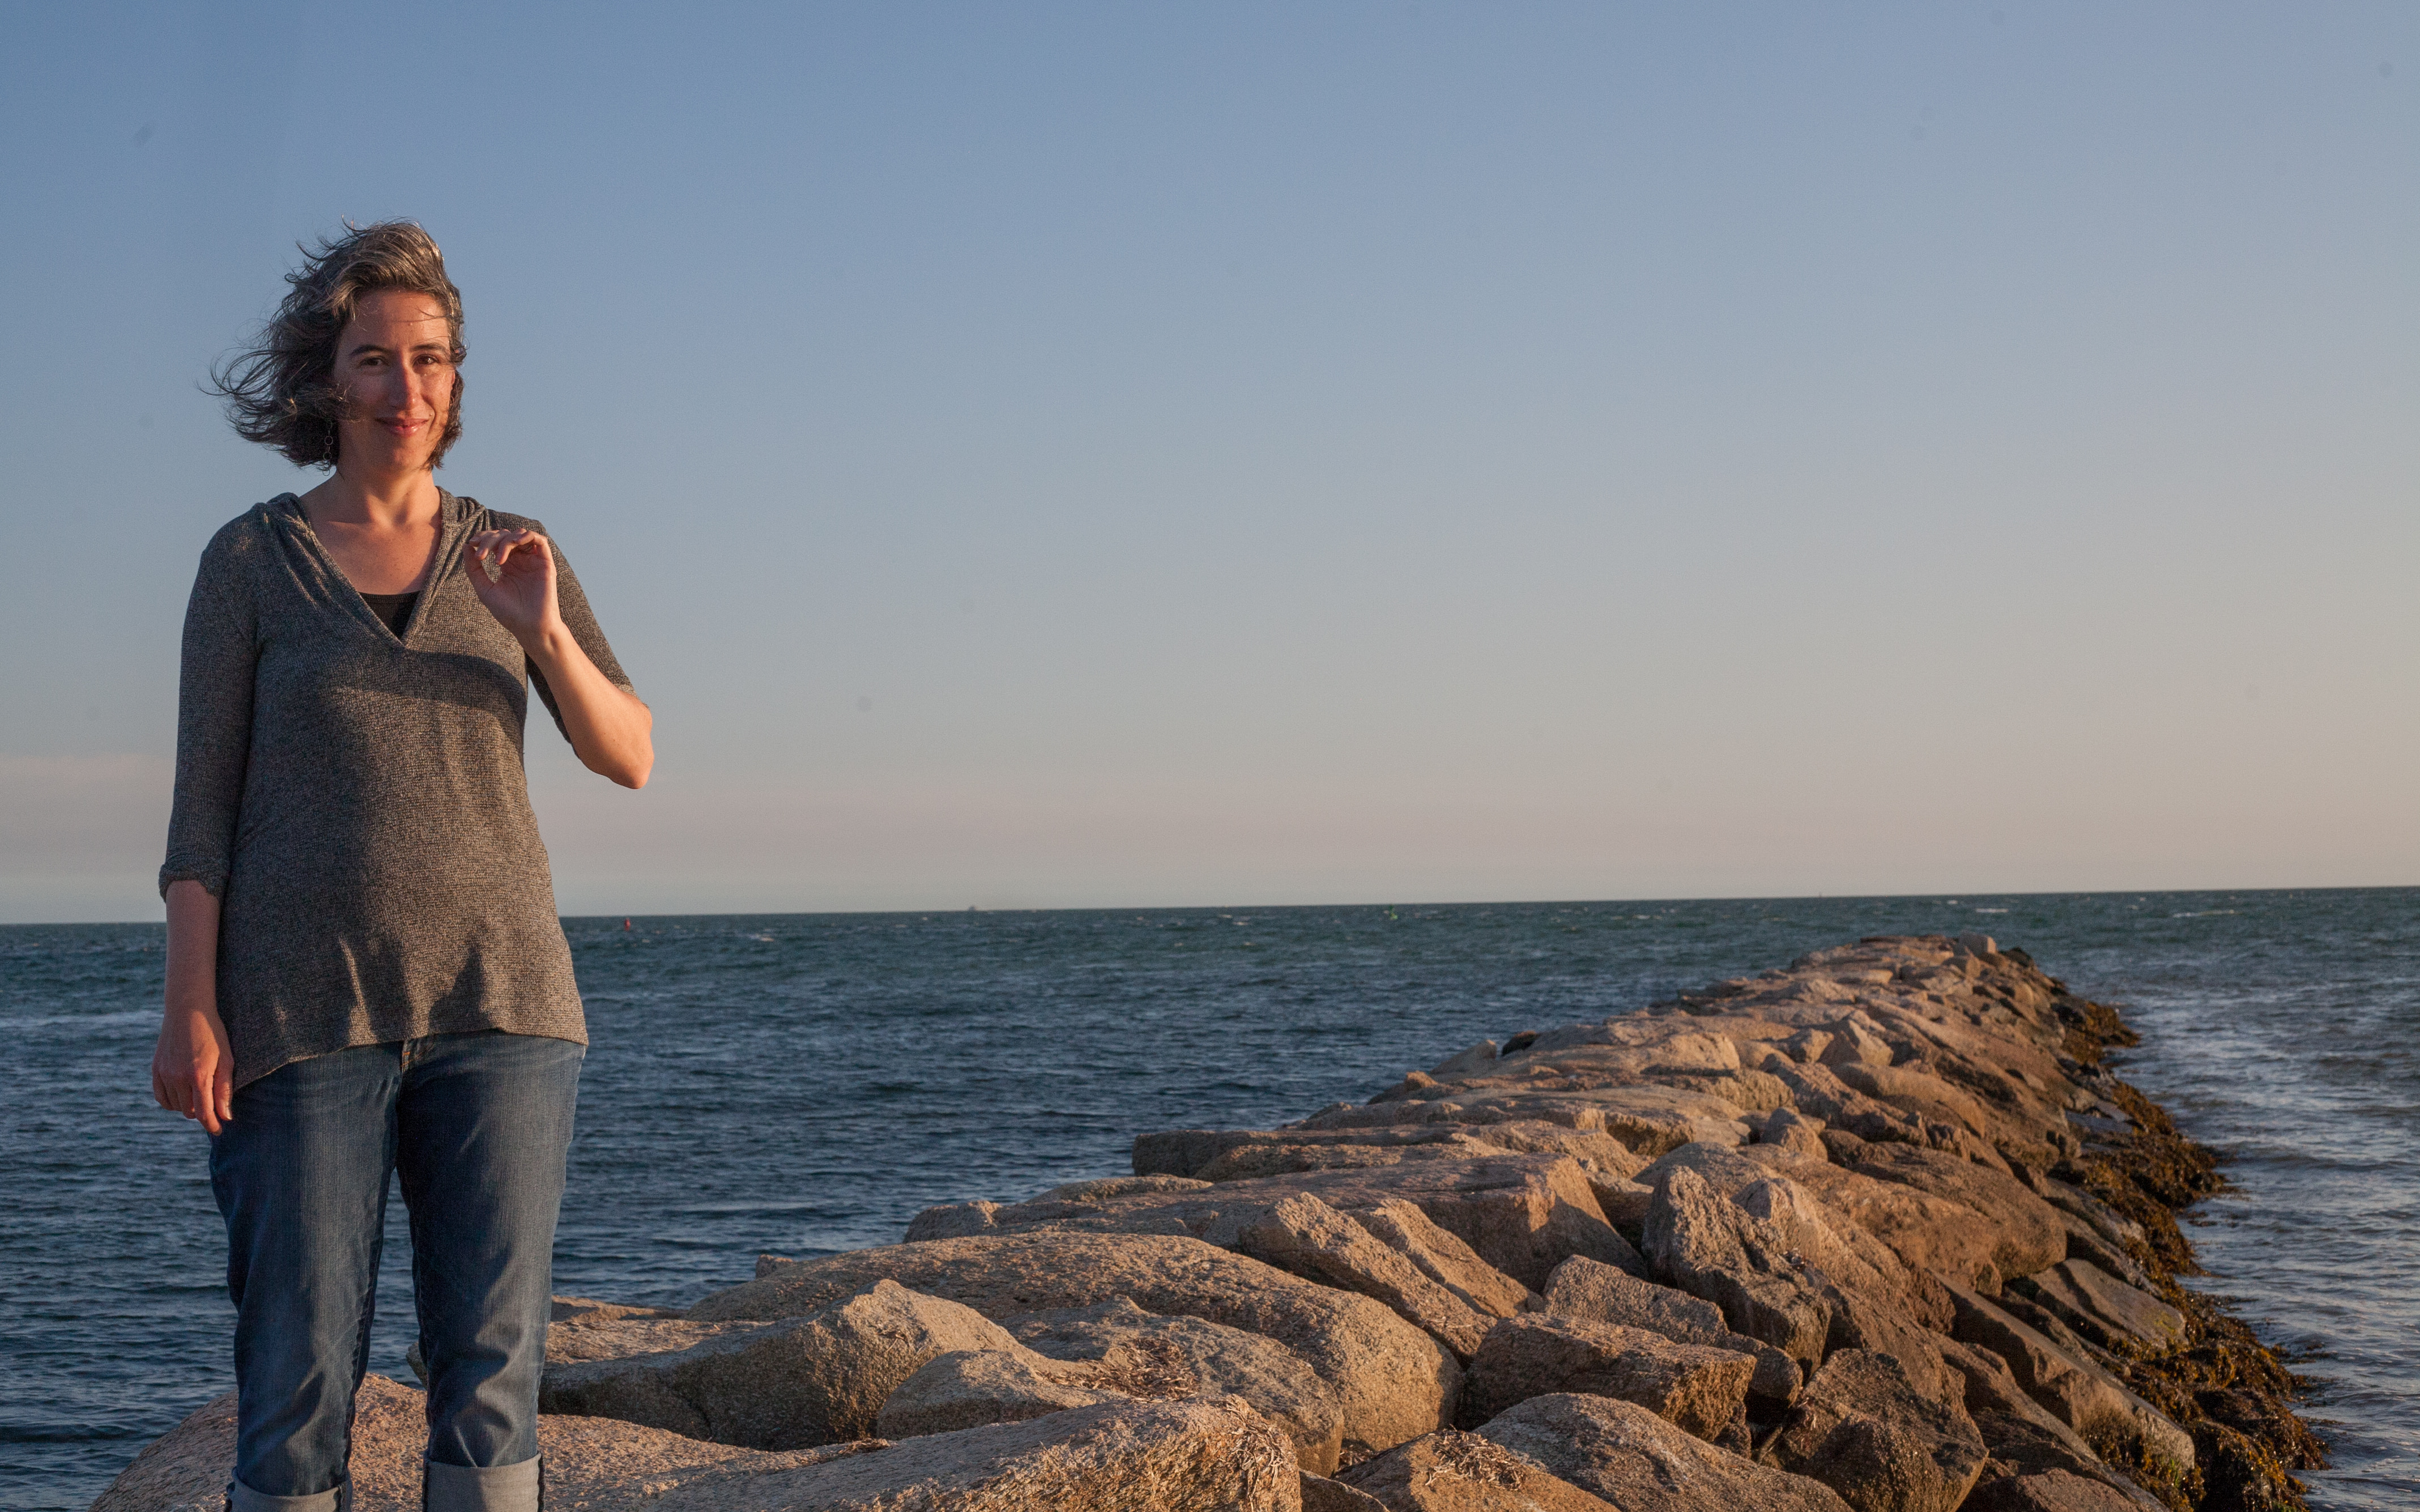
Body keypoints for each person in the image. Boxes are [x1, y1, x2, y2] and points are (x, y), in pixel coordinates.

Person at [150, 221, 652, 1512]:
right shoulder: (253, 561)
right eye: (375, 359)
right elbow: (201, 816)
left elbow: (629, 753)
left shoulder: (514, 550)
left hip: (506, 1010)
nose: (407, 388)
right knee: (298, 1373)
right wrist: (188, 1007)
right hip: (299, 1015)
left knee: (491, 1375)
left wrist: (544, 635)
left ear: (456, 377)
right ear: (328, 378)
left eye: (431, 360)